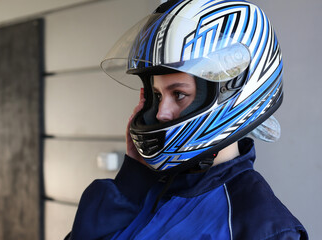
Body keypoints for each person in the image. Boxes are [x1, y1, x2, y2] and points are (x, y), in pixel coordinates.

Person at [66, 0, 308, 239]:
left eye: (179, 94)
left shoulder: (262, 229)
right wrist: (132, 179)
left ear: (231, 91)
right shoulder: (140, 192)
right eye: (157, 95)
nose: (160, 113)